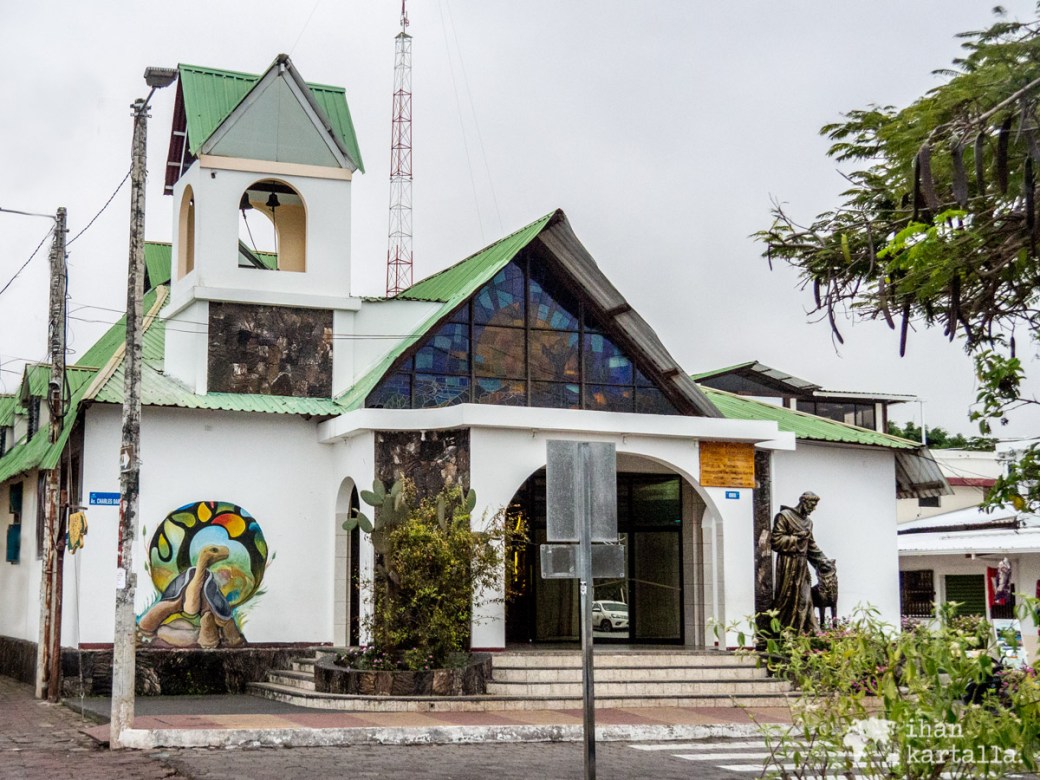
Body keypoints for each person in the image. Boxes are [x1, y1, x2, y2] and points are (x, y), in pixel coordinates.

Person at [771, 491, 834, 633]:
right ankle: (784, 632)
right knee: (787, 599)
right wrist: (796, 538)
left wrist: (824, 561)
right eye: (812, 505)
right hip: (787, 564)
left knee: (805, 599)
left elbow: (811, 546)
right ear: (803, 501)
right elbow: (775, 541)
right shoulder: (784, 516)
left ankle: (809, 631)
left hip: (802, 565)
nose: (813, 508)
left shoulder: (808, 522)